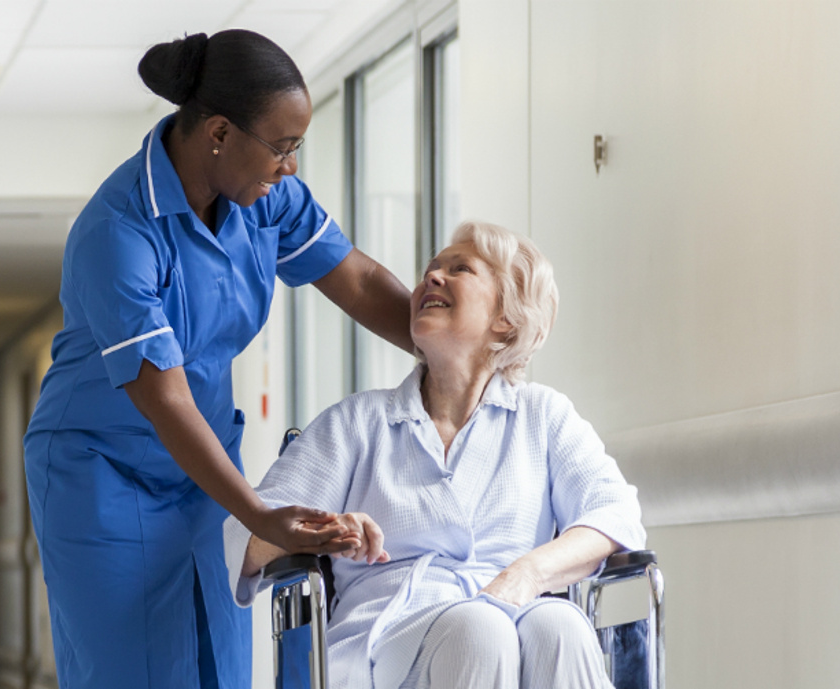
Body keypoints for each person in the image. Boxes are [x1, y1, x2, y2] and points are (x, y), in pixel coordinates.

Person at [23, 30, 417, 689]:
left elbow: (356, 279)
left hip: (203, 473)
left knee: (219, 665)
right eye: (282, 147)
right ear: (218, 134)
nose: (289, 167)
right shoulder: (118, 229)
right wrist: (259, 514)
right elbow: (163, 396)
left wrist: (440, 342)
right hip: (102, 474)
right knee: (133, 671)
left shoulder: (263, 201)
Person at [226, 221, 646, 689]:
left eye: (459, 269)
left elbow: (615, 513)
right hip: (388, 635)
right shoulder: (357, 422)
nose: (432, 278)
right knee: (480, 630)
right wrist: (322, 530)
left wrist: (527, 573)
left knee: (560, 625)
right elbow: (242, 538)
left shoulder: (543, 416)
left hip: (517, 610)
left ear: (504, 317)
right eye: (431, 269)